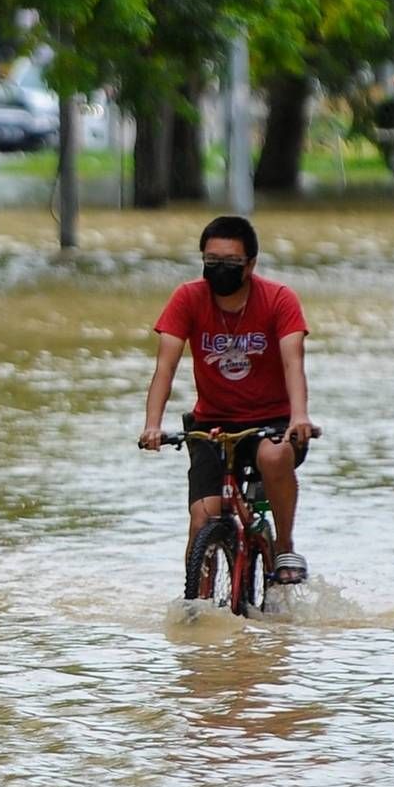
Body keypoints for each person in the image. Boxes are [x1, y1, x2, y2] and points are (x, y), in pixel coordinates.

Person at [138, 215, 316, 584]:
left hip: (273, 421)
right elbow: (165, 368)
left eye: (231, 263)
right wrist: (153, 424)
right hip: (212, 425)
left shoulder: (279, 299)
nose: (220, 270)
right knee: (204, 516)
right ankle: (197, 604)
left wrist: (299, 416)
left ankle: (284, 544)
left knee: (273, 454)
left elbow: (293, 361)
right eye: (211, 261)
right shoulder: (187, 298)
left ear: (250, 264)